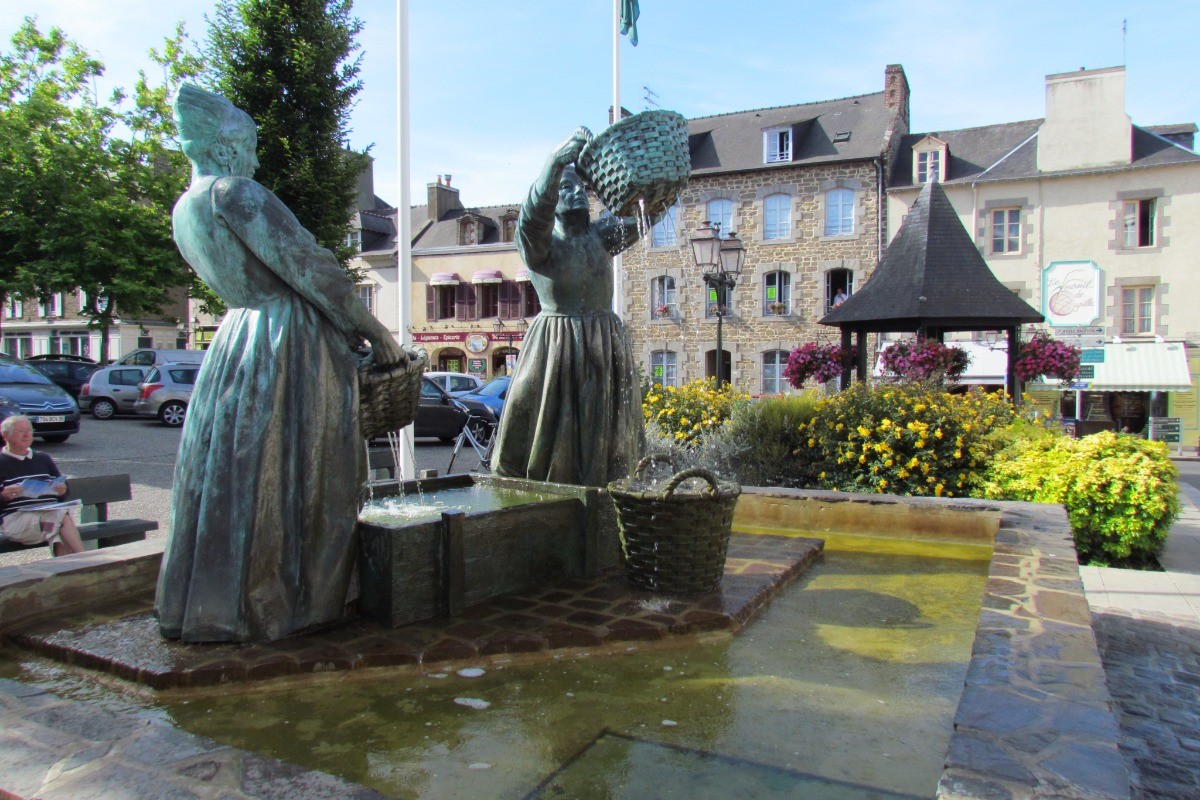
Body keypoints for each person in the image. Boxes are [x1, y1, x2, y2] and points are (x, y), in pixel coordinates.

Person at [155, 85, 404, 643]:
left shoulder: (184, 208)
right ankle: (293, 602)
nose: (255, 158)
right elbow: (308, 267)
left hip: (239, 337)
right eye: (247, 144)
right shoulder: (235, 193)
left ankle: (212, 603)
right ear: (224, 146)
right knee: (307, 471)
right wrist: (374, 330)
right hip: (290, 340)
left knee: (235, 471)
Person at [491, 127, 644, 487]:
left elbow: (641, 215)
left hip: (603, 342)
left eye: (581, 187)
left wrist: (652, 183)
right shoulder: (540, 245)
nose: (577, 193)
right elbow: (531, 218)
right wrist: (554, 163)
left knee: (604, 424)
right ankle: (535, 486)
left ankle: (608, 488)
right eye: (565, 187)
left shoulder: (600, 235)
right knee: (541, 411)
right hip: (555, 345)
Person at [0, 415, 84, 556]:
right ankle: (87, 558)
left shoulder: (43, 458)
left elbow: (63, 493)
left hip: (47, 521)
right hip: (17, 521)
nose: (27, 435)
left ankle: (67, 572)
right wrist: (3, 496)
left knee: (57, 531)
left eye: (30, 430)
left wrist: (62, 490)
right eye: (21, 431)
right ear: (5, 435)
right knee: (60, 518)